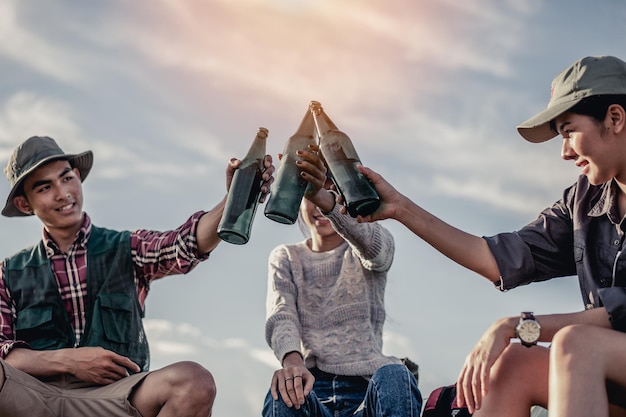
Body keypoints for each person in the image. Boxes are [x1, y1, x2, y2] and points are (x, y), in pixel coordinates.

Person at [353, 55, 626, 417]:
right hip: (610, 373)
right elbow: (495, 257)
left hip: (601, 355)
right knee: (513, 362)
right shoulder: (583, 201)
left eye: (568, 131)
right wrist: (400, 208)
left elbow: (619, 314)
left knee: (576, 343)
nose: (564, 152)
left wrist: (517, 325)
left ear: (615, 118)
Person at [0, 135, 274, 417]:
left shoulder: (126, 249)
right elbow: (2, 352)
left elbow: (184, 243)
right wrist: (70, 361)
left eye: (66, 178)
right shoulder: (8, 273)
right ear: (24, 204)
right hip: (34, 397)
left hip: (114, 398)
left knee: (194, 382)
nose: (62, 193)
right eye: (45, 187)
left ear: (78, 177)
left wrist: (233, 200)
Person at [261, 146, 422, 417]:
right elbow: (281, 314)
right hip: (312, 390)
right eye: (310, 192)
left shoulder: (365, 244)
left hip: (368, 389)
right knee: (283, 391)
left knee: (396, 375)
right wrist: (292, 362)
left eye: (331, 191)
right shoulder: (286, 256)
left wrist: (327, 202)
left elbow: (378, 251)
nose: (319, 202)